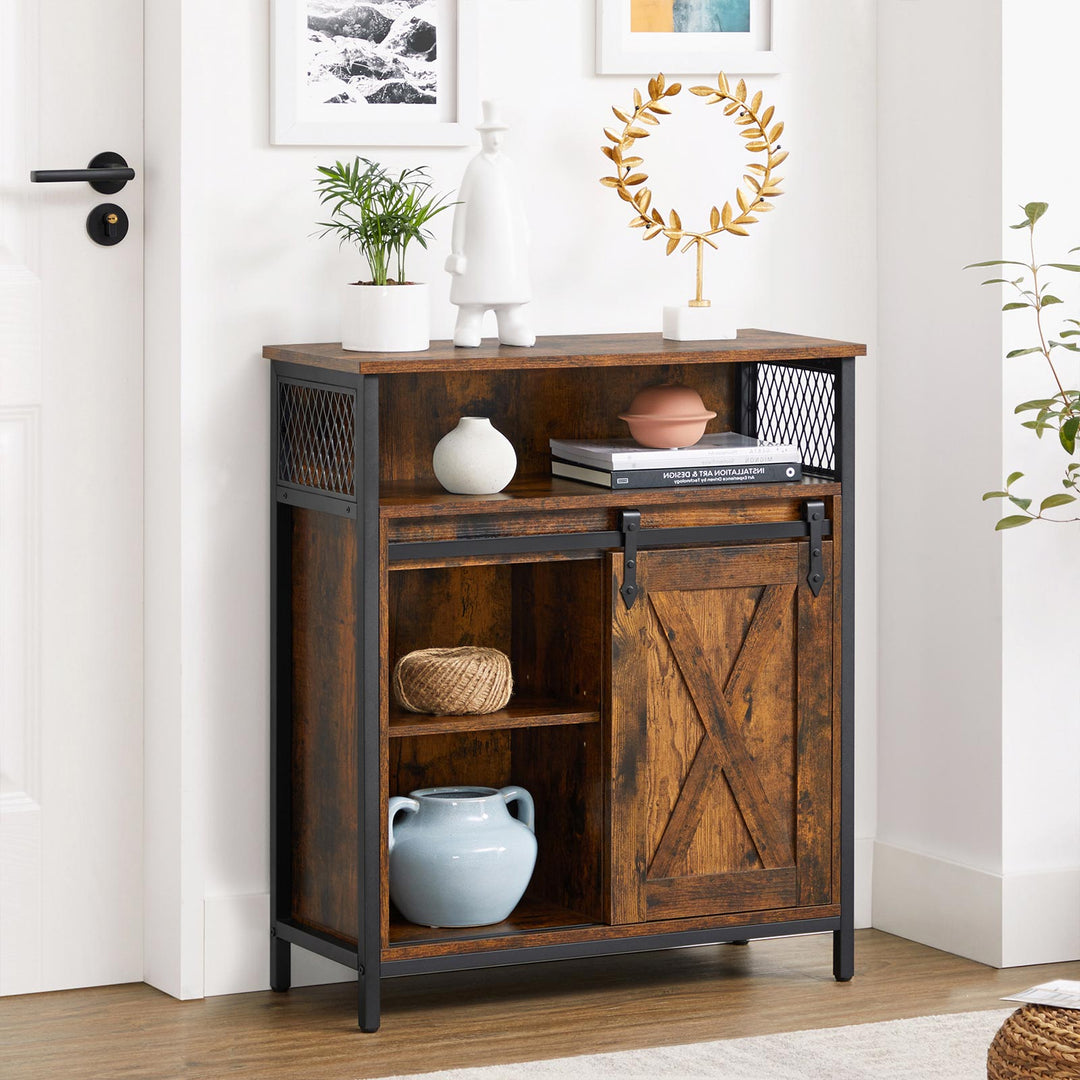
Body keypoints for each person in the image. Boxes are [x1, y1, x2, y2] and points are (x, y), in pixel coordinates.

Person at [445, 100, 535, 347]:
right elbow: (461, 208)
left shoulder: (509, 166)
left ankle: (511, 323)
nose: (495, 140)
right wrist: (457, 249)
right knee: (475, 289)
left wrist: (525, 233)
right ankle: (468, 323)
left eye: (498, 135)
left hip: (508, 245)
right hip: (477, 246)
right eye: (490, 135)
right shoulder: (475, 167)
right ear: (483, 137)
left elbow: (516, 202)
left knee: (508, 286)